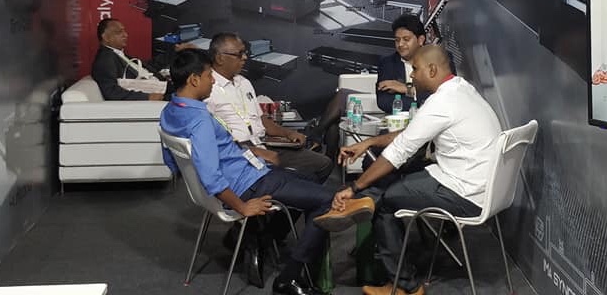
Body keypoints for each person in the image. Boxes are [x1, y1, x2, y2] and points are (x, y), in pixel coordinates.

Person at [160, 49, 374, 295]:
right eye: (209, 76)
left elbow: (171, 159)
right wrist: (242, 207)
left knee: (311, 179)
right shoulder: (200, 119)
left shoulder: (170, 111)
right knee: (326, 200)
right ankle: (289, 278)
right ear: (194, 79)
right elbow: (210, 176)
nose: (212, 81)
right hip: (248, 184)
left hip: (249, 173)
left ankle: (264, 236)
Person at [325, 45, 502, 295]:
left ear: (432, 70)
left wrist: (354, 185)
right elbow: (412, 132)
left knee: (386, 201)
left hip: (465, 193)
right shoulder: (462, 90)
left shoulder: (441, 102)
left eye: (415, 69)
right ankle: (364, 202)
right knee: (391, 182)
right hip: (474, 183)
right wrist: (370, 142)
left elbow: (399, 151)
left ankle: (405, 286)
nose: (412, 76)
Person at [207, 33, 334, 183]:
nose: (245, 57)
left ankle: (294, 192)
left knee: (324, 164)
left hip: (264, 143)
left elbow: (261, 119)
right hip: (239, 152)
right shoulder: (207, 89)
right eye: (239, 54)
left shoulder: (244, 82)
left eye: (245, 53)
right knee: (298, 180)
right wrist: (252, 150)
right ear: (220, 58)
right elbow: (211, 141)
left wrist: (288, 133)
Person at [91, 18, 169, 101]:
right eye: (119, 32)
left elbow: (149, 66)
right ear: (105, 37)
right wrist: (147, 97)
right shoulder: (105, 59)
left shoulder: (118, 54)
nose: (125, 35)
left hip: (162, 88)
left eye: (124, 31)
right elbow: (111, 91)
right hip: (154, 97)